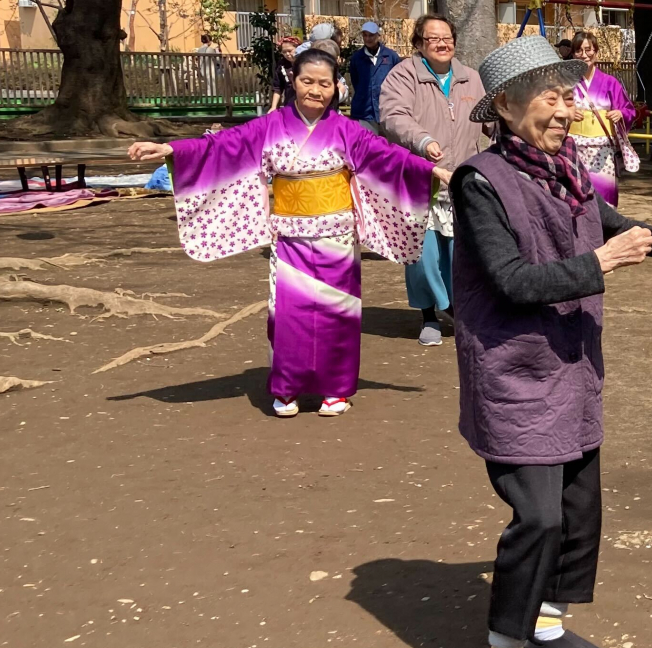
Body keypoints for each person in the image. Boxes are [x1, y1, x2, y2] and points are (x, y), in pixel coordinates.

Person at [448, 40, 652, 648]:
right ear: (505, 106)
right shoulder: (480, 182)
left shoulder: (566, 172)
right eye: (550, 96)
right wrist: (601, 262)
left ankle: (546, 625)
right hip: (514, 372)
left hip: (571, 366)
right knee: (537, 516)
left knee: (578, 509)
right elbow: (511, 281)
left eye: (569, 96)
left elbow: (617, 226)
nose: (566, 110)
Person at [126, 48, 438, 416]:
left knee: (338, 313)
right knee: (289, 314)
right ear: (293, 80)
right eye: (307, 81)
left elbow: (389, 156)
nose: (316, 90)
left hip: (337, 236)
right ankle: (287, 387)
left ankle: (335, 389)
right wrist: (171, 148)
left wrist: (431, 171)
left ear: (336, 87)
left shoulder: (347, 130)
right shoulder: (269, 126)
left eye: (324, 84)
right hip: (290, 236)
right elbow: (222, 145)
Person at [380, 14, 486, 345]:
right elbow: (393, 116)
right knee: (422, 255)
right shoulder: (404, 75)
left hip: (461, 178)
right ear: (419, 44)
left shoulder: (471, 78)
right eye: (433, 39)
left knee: (459, 254)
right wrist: (423, 141)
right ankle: (430, 314)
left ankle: (457, 306)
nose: (442, 44)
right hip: (419, 178)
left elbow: (491, 119)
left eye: (447, 38)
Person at [347, 21, 402, 132]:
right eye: (365, 35)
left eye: (371, 35)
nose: (368, 38)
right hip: (364, 112)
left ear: (378, 35)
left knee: (387, 142)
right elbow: (355, 81)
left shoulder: (391, 56)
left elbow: (398, 81)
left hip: (387, 110)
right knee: (367, 142)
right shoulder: (357, 58)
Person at [268, 34, 300, 113]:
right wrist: (273, 107)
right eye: (284, 52)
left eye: (290, 51)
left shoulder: (305, 63)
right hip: (289, 104)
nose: (287, 54)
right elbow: (278, 88)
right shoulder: (281, 65)